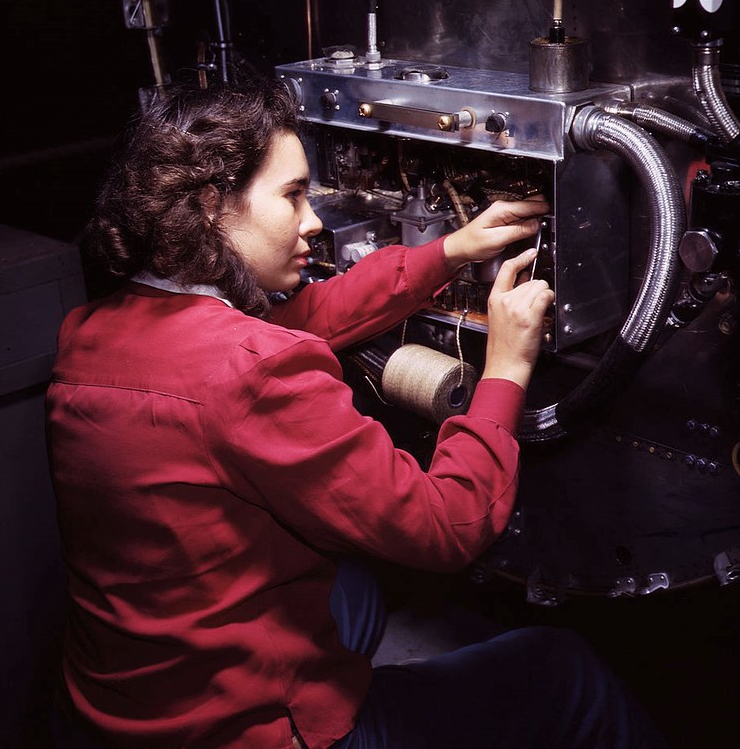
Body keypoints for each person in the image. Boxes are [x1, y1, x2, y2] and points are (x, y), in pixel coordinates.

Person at [46, 76, 669, 749]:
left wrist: (451, 251)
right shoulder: (254, 372)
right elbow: (448, 525)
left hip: (120, 711)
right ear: (209, 207)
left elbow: (297, 324)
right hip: (244, 735)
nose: (314, 219)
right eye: (292, 196)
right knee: (564, 670)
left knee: (358, 591)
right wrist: (506, 368)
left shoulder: (89, 333)